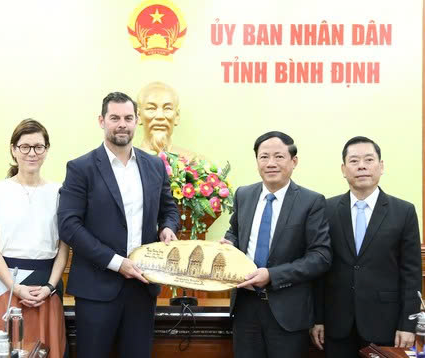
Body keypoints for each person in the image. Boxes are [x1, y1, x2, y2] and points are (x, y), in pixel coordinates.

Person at [58, 92, 180, 358]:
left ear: (137, 121)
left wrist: (168, 227)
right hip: (96, 287)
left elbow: (168, 208)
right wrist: (116, 262)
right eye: (114, 118)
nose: (121, 124)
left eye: (127, 118)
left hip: (143, 286)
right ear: (102, 121)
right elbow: (68, 225)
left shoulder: (154, 166)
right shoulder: (81, 168)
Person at [220, 131, 331, 358]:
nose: (271, 163)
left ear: (294, 161)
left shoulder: (311, 201)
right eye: (264, 157)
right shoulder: (244, 194)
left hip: (287, 312)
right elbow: (235, 233)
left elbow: (321, 256)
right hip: (245, 307)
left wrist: (272, 275)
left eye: (279, 157)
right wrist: (228, 244)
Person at [311, 136, 421, 357]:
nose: (361, 166)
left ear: (381, 166)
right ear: (343, 169)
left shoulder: (404, 211)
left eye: (368, 159)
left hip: (386, 323)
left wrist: (408, 324)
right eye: (354, 161)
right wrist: (318, 319)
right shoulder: (327, 209)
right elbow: (319, 269)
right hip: (337, 324)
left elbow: (411, 273)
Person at [0, 119, 69, 358]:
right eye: (25, 146)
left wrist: (49, 286)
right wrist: (15, 286)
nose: (32, 153)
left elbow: (63, 248)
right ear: (13, 149)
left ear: (46, 150)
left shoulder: (59, 193)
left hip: (46, 290)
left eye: (38, 146)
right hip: (7, 287)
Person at [137, 81, 198, 160]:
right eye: (151, 108)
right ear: (138, 116)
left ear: (177, 116)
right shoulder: (126, 163)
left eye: (167, 109)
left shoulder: (194, 162)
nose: (160, 116)